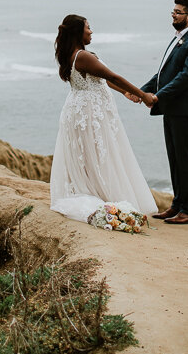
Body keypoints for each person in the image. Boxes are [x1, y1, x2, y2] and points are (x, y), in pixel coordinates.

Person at [50, 14, 158, 223]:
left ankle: (97, 193)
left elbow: (102, 81)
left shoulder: (74, 55)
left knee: (93, 155)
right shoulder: (83, 56)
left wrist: (125, 93)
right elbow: (112, 76)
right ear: (78, 32)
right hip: (89, 113)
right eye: (88, 27)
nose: (91, 31)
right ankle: (104, 198)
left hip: (81, 110)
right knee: (100, 154)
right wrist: (143, 95)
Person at [141, 0, 188, 225]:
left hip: (185, 109)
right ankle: (177, 205)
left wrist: (158, 96)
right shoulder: (178, 39)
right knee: (174, 159)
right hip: (172, 108)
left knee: (184, 159)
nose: (173, 15)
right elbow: (163, 73)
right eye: (173, 11)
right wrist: (142, 91)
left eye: (178, 12)